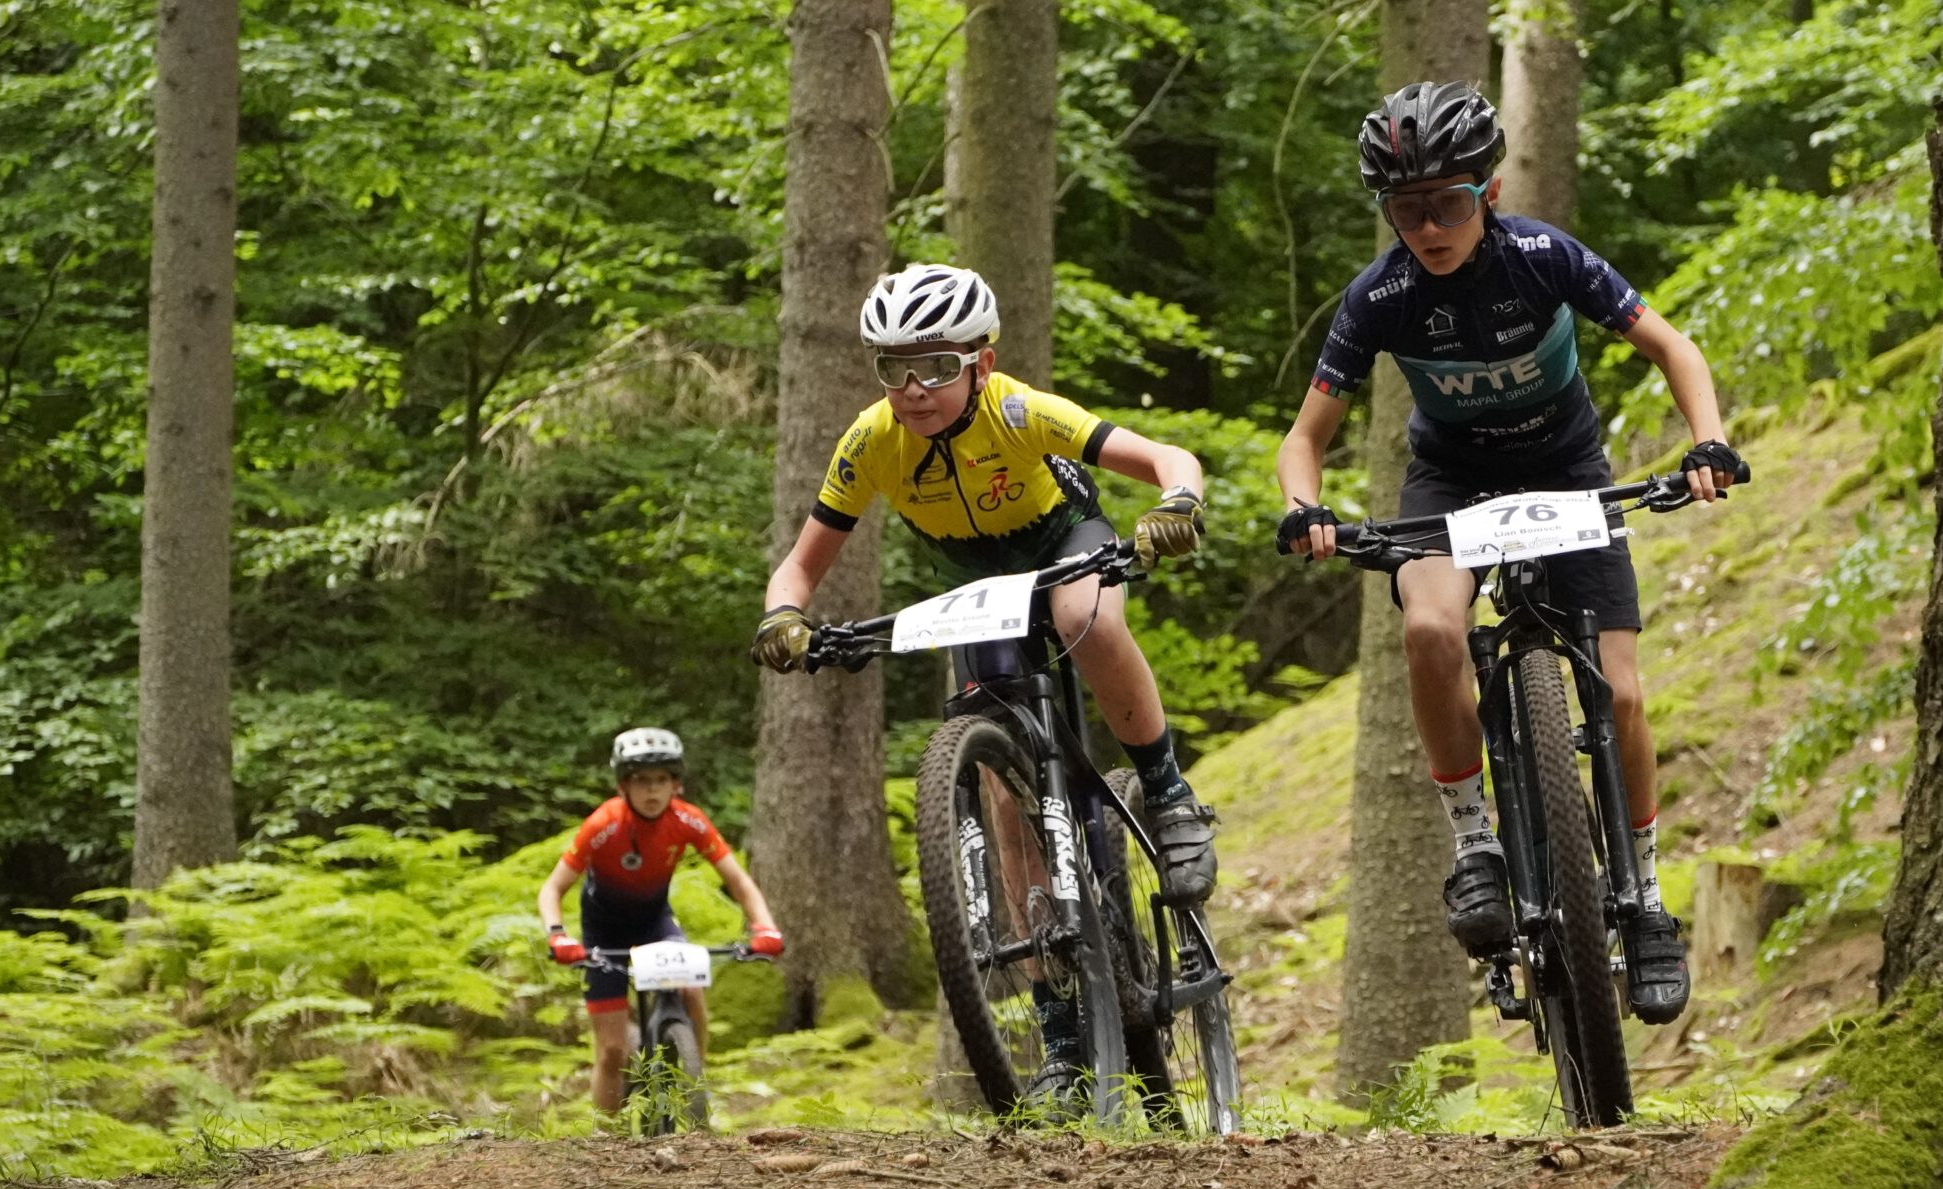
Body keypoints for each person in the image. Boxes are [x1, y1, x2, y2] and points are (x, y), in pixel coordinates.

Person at [1272, 82, 1749, 1025]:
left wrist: (1706, 440)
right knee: (1431, 632)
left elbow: (1674, 348)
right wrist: (1305, 507)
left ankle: (1647, 900)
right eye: (1406, 210)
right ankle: (1475, 846)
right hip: (1451, 483)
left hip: (1567, 469)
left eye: (1448, 203)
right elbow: (1303, 439)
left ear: (1487, 194)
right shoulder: (1382, 298)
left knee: (1620, 692)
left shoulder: (1542, 257)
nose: (1428, 227)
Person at [748, 263, 1219, 1091]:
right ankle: (1061, 1039)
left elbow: (1165, 457)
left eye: (936, 365)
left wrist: (1177, 502)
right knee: (1006, 800)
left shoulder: (1017, 410)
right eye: (893, 368)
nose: (914, 388)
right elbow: (797, 569)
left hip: (1061, 540)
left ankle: (1168, 792)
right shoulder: (871, 441)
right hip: (976, 584)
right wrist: (784, 619)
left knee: (1086, 619)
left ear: (982, 364)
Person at [538, 727, 784, 1114]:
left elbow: (737, 880)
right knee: (613, 1050)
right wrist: (558, 936)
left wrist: (765, 928)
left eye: (661, 780)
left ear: (676, 784)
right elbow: (552, 890)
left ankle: (694, 1081)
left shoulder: (689, 820)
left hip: (655, 921)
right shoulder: (603, 825)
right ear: (623, 786)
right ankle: (607, 1135)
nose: (652, 791)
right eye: (641, 781)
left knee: (691, 991)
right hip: (603, 930)